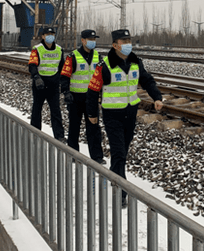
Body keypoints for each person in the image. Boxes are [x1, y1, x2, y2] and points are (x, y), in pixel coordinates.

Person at [87, 29, 163, 207]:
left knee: (123, 151)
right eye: (124, 41)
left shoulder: (136, 62)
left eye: (129, 40)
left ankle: (117, 178)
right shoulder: (104, 66)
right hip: (112, 114)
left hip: (130, 114)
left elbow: (147, 80)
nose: (128, 44)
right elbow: (92, 91)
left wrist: (157, 97)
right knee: (119, 152)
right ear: (115, 45)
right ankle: (119, 192)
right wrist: (92, 114)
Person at [60, 29, 105, 163]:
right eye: (90, 39)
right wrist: (66, 92)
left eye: (94, 39)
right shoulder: (72, 56)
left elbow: (103, 76)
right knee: (74, 127)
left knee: (94, 128)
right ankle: (73, 154)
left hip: (91, 99)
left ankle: (97, 157)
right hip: (75, 98)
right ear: (83, 40)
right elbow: (64, 76)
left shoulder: (98, 57)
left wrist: (102, 94)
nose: (92, 42)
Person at [28, 26, 65, 141]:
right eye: (48, 34)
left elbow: (62, 67)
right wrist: (36, 77)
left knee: (56, 111)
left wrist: (61, 81)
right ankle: (35, 133)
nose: (50, 36)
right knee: (37, 109)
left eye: (52, 34)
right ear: (43, 36)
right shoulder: (37, 49)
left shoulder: (59, 49)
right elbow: (32, 65)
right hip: (40, 84)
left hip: (53, 85)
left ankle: (59, 136)